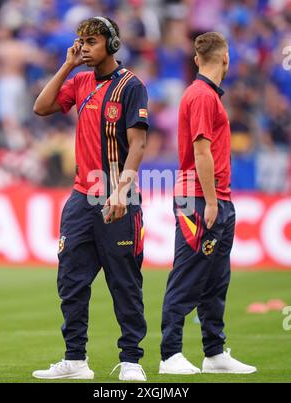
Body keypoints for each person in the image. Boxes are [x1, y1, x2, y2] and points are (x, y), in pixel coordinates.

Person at [32, 16, 148, 381]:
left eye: (92, 41)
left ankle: (131, 361)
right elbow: (42, 107)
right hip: (82, 199)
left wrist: (122, 189)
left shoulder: (131, 86)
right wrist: (66, 64)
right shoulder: (79, 80)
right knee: (71, 281)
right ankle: (75, 361)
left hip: (118, 198)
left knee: (124, 282)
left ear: (112, 45)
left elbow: (139, 143)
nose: (84, 47)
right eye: (81, 41)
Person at [159, 32, 257, 375]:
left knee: (216, 280)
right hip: (199, 198)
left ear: (198, 59)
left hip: (215, 198)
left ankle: (214, 354)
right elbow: (201, 151)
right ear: (226, 59)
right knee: (188, 276)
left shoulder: (207, 96)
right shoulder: (201, 96)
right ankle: (170, 354)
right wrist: (213, 202)